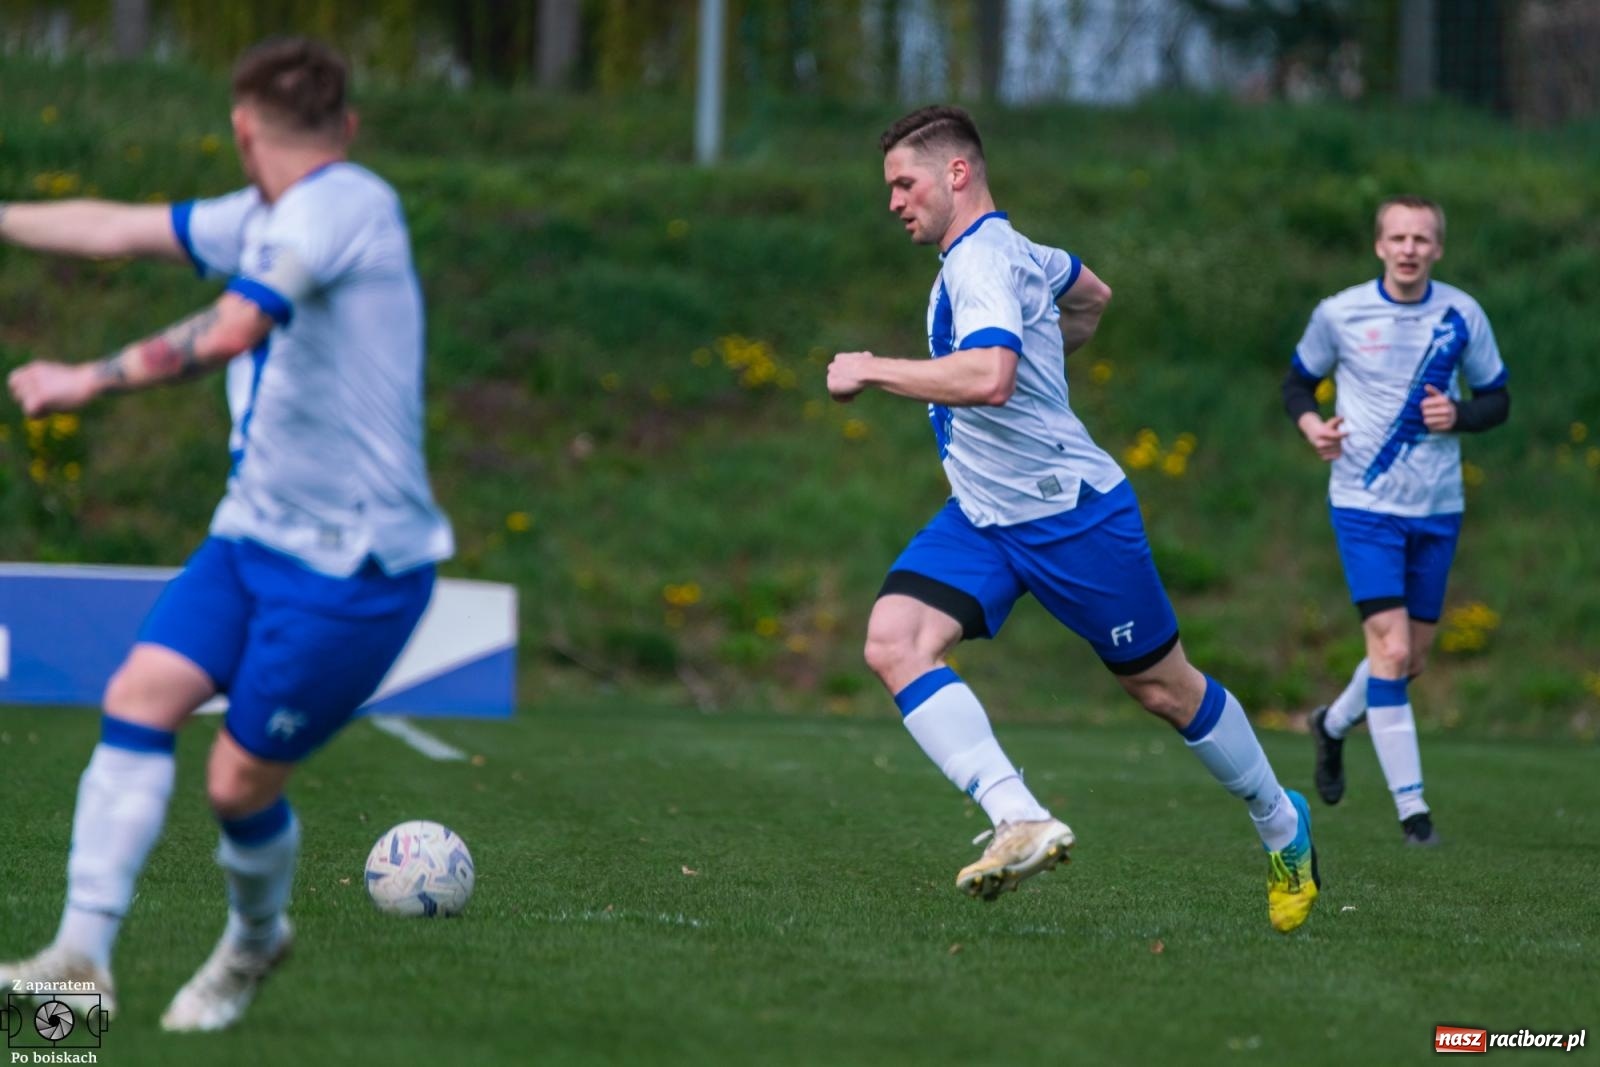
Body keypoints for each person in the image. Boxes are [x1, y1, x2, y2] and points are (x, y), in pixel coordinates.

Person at [0, 37, 453, 1031]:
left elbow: (237, 327)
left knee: (235, 780)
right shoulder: (259, 213)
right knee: (139, 693)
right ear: (345, 122)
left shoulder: (344, 207)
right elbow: (115, 229)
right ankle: (79, 962)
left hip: (355, 568)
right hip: (251, 539)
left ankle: (254, 938)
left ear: (243, 130)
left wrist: (85, 378)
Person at [827, 105, 1319, 933]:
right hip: (985, 514)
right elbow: (1089, 293)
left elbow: (989, 376)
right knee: (894, 641)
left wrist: (872, 367)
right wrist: (1055, 349)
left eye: (903, 183)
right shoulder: (1014, 249)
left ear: (957, 173)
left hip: (1070, 517)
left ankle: (1281, 821)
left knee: (1164, 688)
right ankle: (1017, 813)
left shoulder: (982, 259)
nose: (893, 202)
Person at [1284, 196, 1508, 846]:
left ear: (1437, 248)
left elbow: (1498, 399)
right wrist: (1312, 426)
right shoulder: (1340, 312)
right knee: (1392, 648)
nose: (1409, 248)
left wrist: (1459, 415)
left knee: (1409, 661)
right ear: (1379, 245)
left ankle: (1332, 724)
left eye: (1422, 238)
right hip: (1363, 503)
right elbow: (1297, 383)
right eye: (1398, 237)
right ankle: (1415, 815)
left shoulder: (1463, 314)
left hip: (1438, 507)